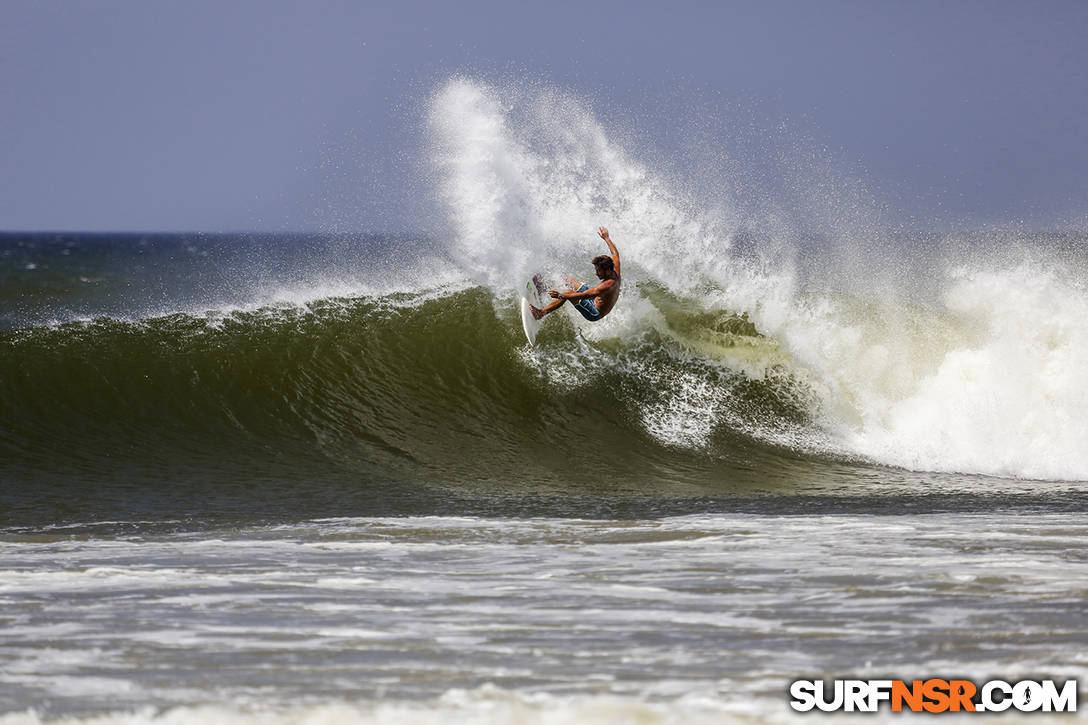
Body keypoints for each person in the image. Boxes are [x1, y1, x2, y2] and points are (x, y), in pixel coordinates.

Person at [531, 226, 621, 322]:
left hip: (594, 312)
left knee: (568, 293)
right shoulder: (614, 268)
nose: (596, 273)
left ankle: (541, 313)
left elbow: (584, 296)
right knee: (569, 281)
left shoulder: (607, 285)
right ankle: (542, 288)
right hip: (593, 298)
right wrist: (606, 237)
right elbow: (615, 253)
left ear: (607, 270)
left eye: (598, 271)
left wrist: (560, 296)